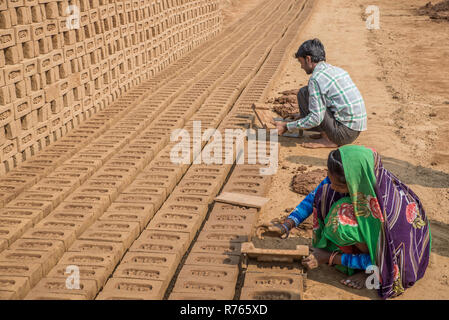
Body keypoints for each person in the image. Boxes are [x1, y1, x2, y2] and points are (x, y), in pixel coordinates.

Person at [263, 145, 431, 299]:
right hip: (370, 228)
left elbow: (387, 262)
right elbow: (314, 195)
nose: (334, 187)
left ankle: (367, 272)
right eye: (330, 178)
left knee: (340, 223)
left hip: (391, 261)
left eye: (340, 186)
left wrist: (330, 257)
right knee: (325, 194)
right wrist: (287, 224)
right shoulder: (360, 178)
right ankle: (352, 250)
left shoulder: (388, 214)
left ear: (356, 181)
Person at [274, 39, 367, 148]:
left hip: (343, 134)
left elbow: (316, 118)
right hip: (354, 129)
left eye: (301, 62)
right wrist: (301, 116)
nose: (301, 66)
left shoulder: (316, 79)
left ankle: (329, 139)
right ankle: (326, 133)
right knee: (304, 92)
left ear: (308, 59)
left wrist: (287, 126)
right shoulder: (336, 70)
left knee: (314, 110)